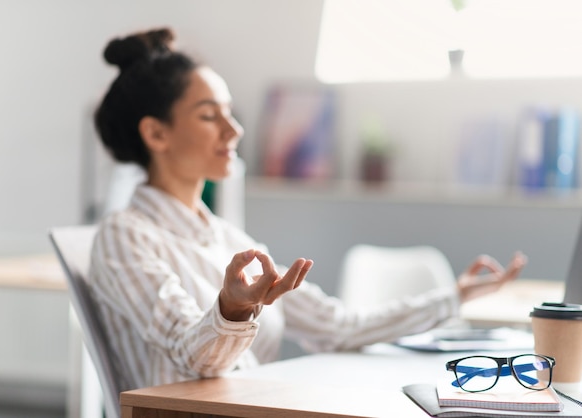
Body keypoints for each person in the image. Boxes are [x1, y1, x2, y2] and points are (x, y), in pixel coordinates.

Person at [89, 27, 527, 391]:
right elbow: (193, 354)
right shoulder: (125, 235)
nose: (234, 129)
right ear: (156, 134)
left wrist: (454, 296)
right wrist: (233, 309)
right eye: (209, 116)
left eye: (230, 112)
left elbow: (338, 326)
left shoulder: (227, 239)